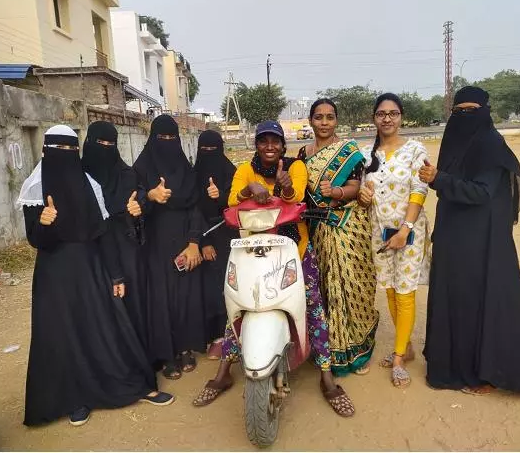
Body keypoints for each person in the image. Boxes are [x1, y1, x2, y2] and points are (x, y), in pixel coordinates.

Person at [192, 120, 354, 417]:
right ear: (256, 144)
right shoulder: (244, 170)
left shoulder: (295, 167)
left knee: (313, 306)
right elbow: (231, 203)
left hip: (294, 248)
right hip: (253, 250)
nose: (269, 146)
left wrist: (286, 187)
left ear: (283, 145)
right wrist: (247, 191)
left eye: (275, 141)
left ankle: (327, 377)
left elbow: (297, 197)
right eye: (263, 141)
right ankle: (223, 373)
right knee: (239, 304)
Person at [16, 125, 173, 428]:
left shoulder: (90, 185)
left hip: (92, 268)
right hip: (55, 276)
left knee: (107, 328)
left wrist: (116, 276)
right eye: (58, 150)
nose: (65, 157)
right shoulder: (34, 189)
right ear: (46, 151)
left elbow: (102, 235)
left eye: (70, 150)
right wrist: (46, 223)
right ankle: (76, 401)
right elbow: (37, 240)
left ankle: (132, 386)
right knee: (64, 336)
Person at [418, 86, 520, 396]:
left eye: (472, 111)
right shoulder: (456, 143)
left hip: (479, 243)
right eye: (459, 111)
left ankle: (484, 373)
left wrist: (439, 179)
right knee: (452, 299)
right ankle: (449, 366)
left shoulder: (491, 145)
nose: (464, 117)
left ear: (485, 112)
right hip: (453, 237)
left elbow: (481, 192)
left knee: (475, 303)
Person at [298, 99, 378, 377]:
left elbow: (356, 186)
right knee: (323, 287)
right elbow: (300, 190)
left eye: (329, 117)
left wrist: (336, 193)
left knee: (352, 283)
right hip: (317, 228)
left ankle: (356, 351)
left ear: (336, 121)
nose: (323, 122)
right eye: (318, 117)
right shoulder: (302, 154)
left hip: (347, 225)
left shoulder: (349, 151)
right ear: (310, 121)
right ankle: (326, 349)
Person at [358, 93, 430, 388]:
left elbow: (420, 187)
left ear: (401, 117)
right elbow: (363, 195)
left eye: (393, 113)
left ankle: (399, 356)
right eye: (381, 113)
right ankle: (408, 345)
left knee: (405, 292)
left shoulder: (415, 149)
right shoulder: (367, 154)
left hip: (409, 232)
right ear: (374, 118)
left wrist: (405, 228)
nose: (387, 118)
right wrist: (363, 196)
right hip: (380, 232)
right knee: (388, 289)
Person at [128, 114, 206, 379]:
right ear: (152, 139)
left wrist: (195, 243)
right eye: (162, 138)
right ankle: (166, 353)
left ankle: (185, 348)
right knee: (160, 300)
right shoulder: (141, 169)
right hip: (155, 246)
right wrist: (149, 195)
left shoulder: (187, 171)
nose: (168, 143)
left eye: (173, 138)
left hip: (185, 243)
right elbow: (133, 208)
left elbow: (196, 207)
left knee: (186, 297)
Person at [82, 121, 148, 351]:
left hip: (124, 248)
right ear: (88, 142)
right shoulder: (79, 178)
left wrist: (138, 209)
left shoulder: (127, 175)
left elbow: (139, 201)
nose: (106, 148)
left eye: (111, 144)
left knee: (132, 306)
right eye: (100, 143)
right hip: (91, 251)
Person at [193, 130, 239, 359]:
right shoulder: (193, 175)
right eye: (205, 150)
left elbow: (238, 203)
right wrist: (204, 242)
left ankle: (234, 334)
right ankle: (216, 337)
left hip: (230, 237)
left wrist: (220, 196)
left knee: (231, 286)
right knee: (210, 290)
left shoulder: (232, 172)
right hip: (206, 239)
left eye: (213, 150)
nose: (209, 155)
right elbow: (191, 212)